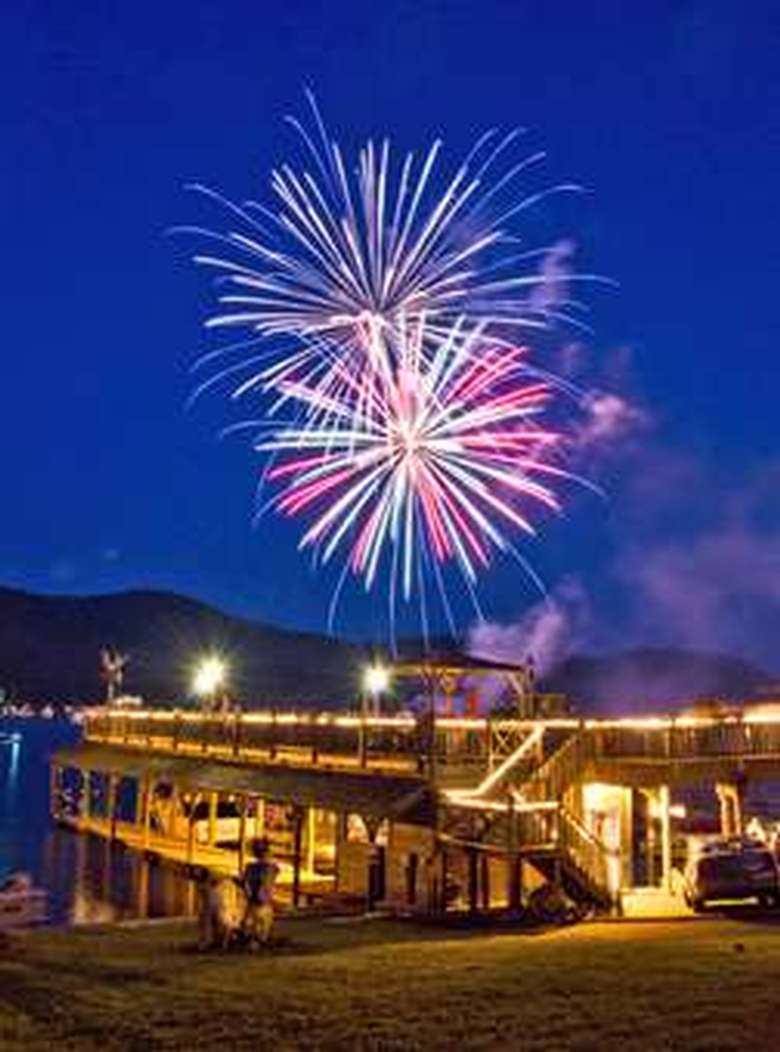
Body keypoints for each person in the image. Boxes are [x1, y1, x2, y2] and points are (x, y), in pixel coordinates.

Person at [240, 838, 279, 947]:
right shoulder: (267, 868)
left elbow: (246, 883)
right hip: (260, 900)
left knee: (256, 921)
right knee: (258, 921)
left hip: (257, 900)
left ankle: (257, 939)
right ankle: (258, 939)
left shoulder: (256, 868)